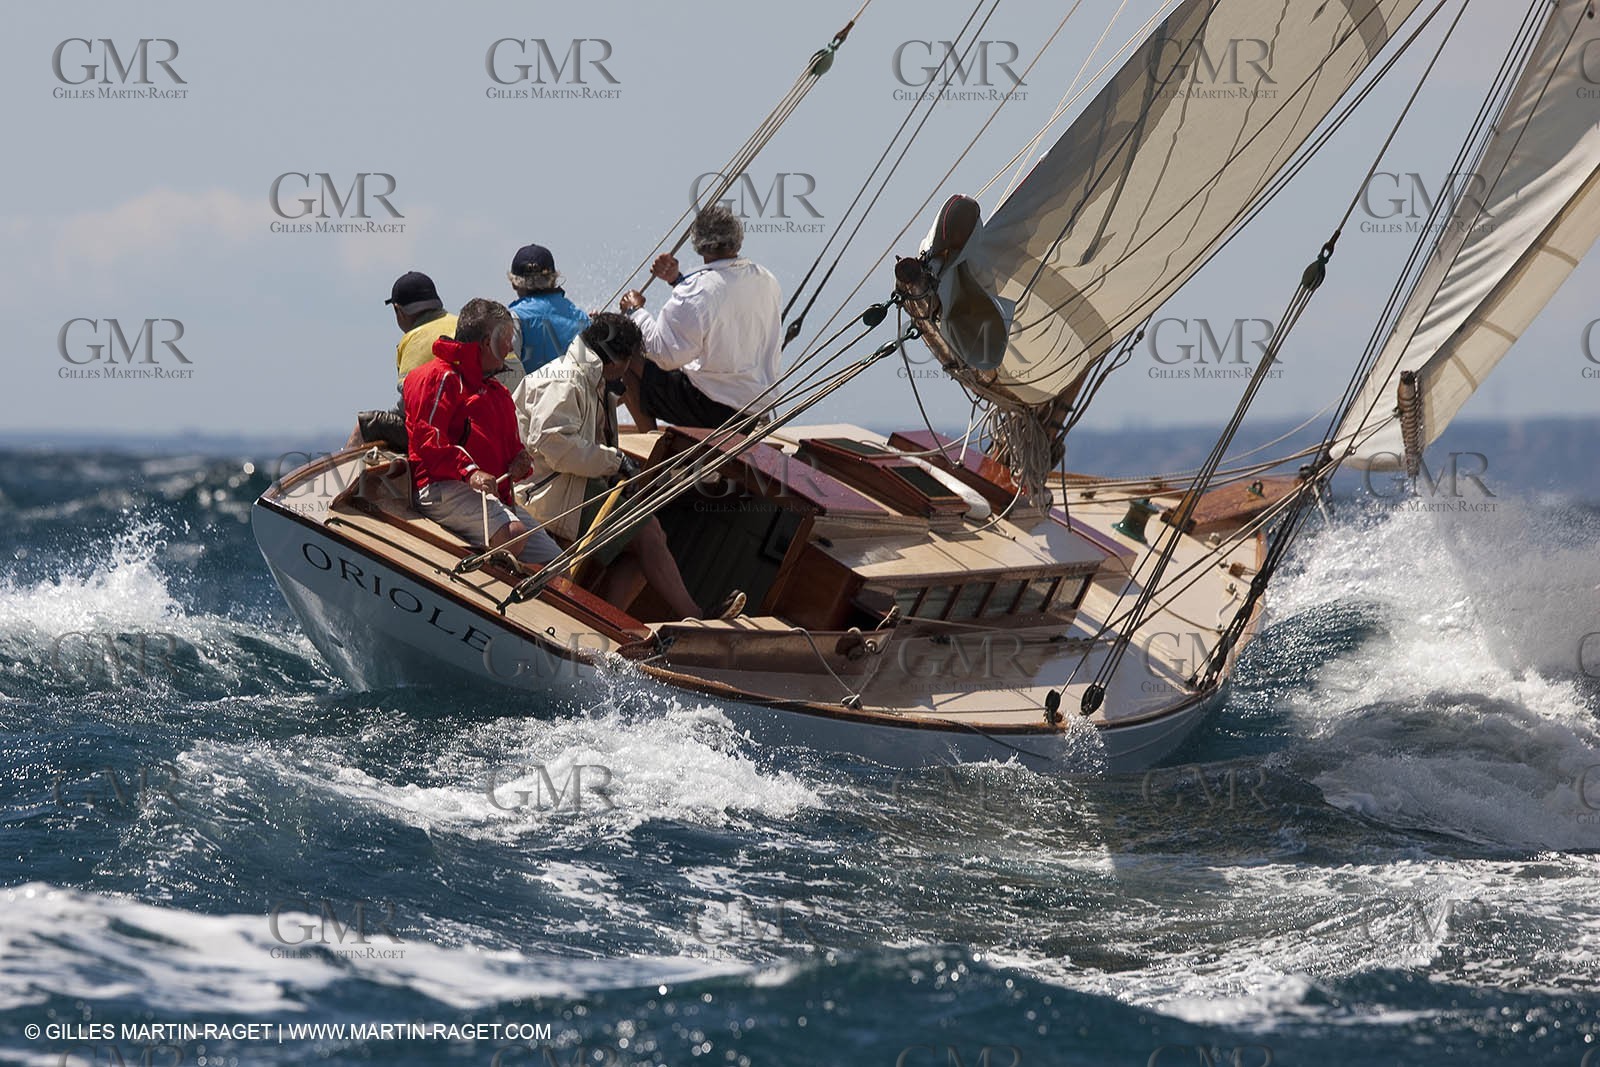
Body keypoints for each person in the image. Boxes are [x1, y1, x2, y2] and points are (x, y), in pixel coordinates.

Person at [512, 313, 742, 620]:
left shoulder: (589, 380)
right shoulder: (563, 380)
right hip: (543, 492)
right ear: (618, 360)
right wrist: (615, 462)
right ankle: (696, 616)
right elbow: (556, 446)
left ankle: (605, 619)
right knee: (646, 533)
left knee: (647, 539)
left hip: (566, 485)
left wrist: (615, 466)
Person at [403, 298, 558, 567]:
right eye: (506, 339)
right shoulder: (441, 377)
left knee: (557, 563)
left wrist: (521, 460)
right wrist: (471, 473)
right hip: (439, 486)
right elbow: (428, 440)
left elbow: (512, 447)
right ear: (487, 342)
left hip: (490, 494)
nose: (510, 347)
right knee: (513, 536)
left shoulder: (497, 392)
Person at [617, 204, 782, 431]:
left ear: (698, 244)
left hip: (713, 410)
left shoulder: (697, 290)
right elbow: (719, 304)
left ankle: (652, 453)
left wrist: (634, 312)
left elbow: (663, 354)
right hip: (753, 411)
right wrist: (677, 280)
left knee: (622, 353)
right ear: (738, 239)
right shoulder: (766, 279)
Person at [508, 243, 590, 376]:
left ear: (514, 283)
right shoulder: (583, 318)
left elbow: (507, 372)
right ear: (553, 279)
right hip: (578, 395)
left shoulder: (513, 319)